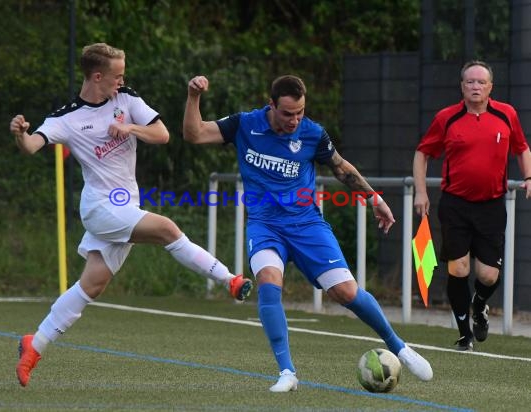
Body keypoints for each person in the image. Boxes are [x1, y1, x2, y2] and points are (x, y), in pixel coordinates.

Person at [9, 43, 252, 387]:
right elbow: (33, 145)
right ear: (97, 76)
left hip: (126, 204)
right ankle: (229, 279)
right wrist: (21, 135)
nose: (122, 80)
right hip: (100, 207)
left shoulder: (126, 99)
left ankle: (36, 344)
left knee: (92, 284)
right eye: (116, 76)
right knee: (167, 229)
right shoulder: (67, 118)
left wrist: (131, 129)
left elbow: (163, 134)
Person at [183, 74, 433, 392]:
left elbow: (341, 168)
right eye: (288, 113)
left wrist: (374, 198)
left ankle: (399, 347)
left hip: (307, 226)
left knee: (346, 292)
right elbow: (194, 134)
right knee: (269, 284)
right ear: (271, 104)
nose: (295, 120)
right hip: (265, 225)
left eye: (300, 112)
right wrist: (193, 97)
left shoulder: (312, 133)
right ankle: (287, 372)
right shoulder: (244, 124)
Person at [413, 60, 531, 351]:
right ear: (462, 86)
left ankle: (479, 306)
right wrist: (420, 192)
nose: (475, 87)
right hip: (455, 205)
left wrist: (528, 176)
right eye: (470, 82)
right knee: (458, 269)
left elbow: (522, 148)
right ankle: (465, 334)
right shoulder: (446, 118)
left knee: (488, 275)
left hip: (491, 205)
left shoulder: (506, 114)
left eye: (481, 82)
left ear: (491, 86)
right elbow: (422, 153)